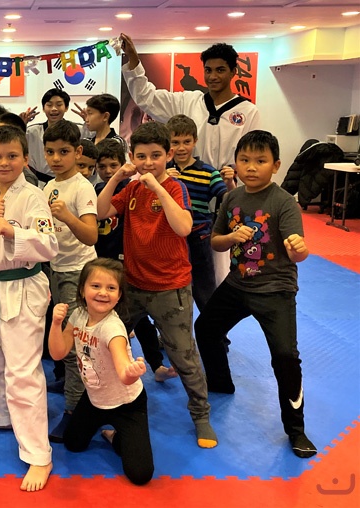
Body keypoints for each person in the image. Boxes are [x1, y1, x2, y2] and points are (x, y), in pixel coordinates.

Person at [194, 130, 317, 459]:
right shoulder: (232, 198)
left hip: (276, 290)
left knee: (285, 357)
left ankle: (296, 430)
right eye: (244, 160)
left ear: (275, 165)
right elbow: (216, 241)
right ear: (236, 163)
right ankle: (221, 383)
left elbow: (298, 252)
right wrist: (232, 237)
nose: (251, 167)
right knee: (205, 328)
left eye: (260, 161)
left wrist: (300, 248)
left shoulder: (283, 202)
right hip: (238, 284)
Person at [96, 121, 217, 449]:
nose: (148, 162)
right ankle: (104, 405)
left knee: (184, 356)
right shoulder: (132, 189)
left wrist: (159, 188)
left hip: (169, 288)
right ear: (132, 157)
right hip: (133, 286)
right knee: (107, 342)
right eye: (141, 156)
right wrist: (117, 178)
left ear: (169, 155)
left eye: (155, 155)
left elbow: (183, 227)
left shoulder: (176, 188)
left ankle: (201, 415)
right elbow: (102, 211)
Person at [120, 35, 260, 286]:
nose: (213, 76)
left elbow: (254, 157)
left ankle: (214, 311)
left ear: (233, 72)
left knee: (217, 272)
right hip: (183, 193)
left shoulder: (248, 112)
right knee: (174, 264)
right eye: (208, 70)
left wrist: (235, 181)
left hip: (222, 191)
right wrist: (133, 60)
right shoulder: (188, 101)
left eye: (220, 70)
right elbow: (146, 97)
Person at [0, 125, 58, 492]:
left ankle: (39, 454)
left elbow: (49, 245)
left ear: (25, 159)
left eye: (12, 156)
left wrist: (13, 232)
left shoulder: (34, 196)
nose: (4, 163)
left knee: (22, 371)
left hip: (22, 286)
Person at [48, 258, 153, 485]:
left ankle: (114, 434)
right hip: (95, 399)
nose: (103, 293)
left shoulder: (112, 329)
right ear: (82, 289)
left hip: (127, 404)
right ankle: (103, 426)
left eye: (111, 288)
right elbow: (58, 353)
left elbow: (123, 369)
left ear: (119, 295)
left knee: (140, 475)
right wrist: (56, 323)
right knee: (72, 443)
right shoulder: (78, 315)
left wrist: (131, 372)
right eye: (96, 286)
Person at [94, 139, 172, 382]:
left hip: (125, 260)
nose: (108, 171)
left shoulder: (134, 187)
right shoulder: (98, 189)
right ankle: (108, 367)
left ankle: (156, 365)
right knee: (110, 319)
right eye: (102, 166)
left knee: (139, 320)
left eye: (113, 165)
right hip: (102, 259)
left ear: (124, 163)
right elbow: (97, 213)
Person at [41, 120, 98, 443]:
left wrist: (67, 217)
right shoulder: (49, 186)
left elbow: (90, 235)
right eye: (50, 152)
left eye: (63, 152)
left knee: (75, 345)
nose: (56, 158)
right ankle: (67, 383)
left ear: (77, 152)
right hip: (56, 270)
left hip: (78, 273)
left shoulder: (82, 187)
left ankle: (74, 411)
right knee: (61, 336)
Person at [165, 114, 234, 315]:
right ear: (167, 143)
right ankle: (173, 328)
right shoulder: (163, 171)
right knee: (171, 286)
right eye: (175, 142)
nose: (181, 148)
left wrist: (230, 182)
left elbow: (229, 199)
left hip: (199, 235)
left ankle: (213, 329)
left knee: (204, 287)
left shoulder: (208, 172)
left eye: (186, 142)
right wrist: (163, 181)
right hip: (170, 235)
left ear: (195, 141)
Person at [25, 88, 90, 182]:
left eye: (59, 105)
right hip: (39, 181)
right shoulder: (32, 131)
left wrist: (89, 122)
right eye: (49, 105)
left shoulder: (78, 130)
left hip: (69, 179)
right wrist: (20, 124)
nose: (54, 109)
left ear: (66, 108)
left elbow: (95, 137)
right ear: (43, 108)